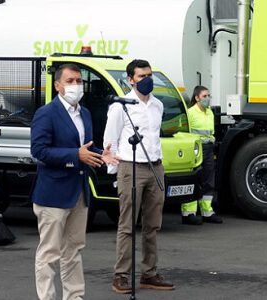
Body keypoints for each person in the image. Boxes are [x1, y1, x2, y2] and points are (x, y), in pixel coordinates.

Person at [29, 64, 115, 300]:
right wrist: (75, 155)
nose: (76, 85)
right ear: (57, 85)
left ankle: (74, 296)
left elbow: (85, 147)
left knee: (74, 250)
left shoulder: (84, 113)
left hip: (79, 191)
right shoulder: (46, 113)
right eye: (70, 80)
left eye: (79, 80)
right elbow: (39, 150)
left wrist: (100, 154)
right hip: (53, 193)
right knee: (49, 253)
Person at [103, 59, 175, 294]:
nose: (147, 80)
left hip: (155, 166)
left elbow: (155, 137)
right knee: (127, 225)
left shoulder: (157, 106)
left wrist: (160, 164)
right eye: (142, 76)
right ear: (131, 79)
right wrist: (115, 173)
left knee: (152, 225)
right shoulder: (121, 106)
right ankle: (121, 275)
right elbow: (110, 141)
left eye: (149, 75)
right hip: (130, 166)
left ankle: (149, 273)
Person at [181, 86, 223, 225]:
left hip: (209, 149)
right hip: (196, 149)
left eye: (208, 95)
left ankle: (207, 211)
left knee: (209, 180)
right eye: (204, 96)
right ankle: (188, 213)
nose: (207, 98)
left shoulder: (209, 112)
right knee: (195, 179)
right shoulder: (190, 113)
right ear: (197, 98)